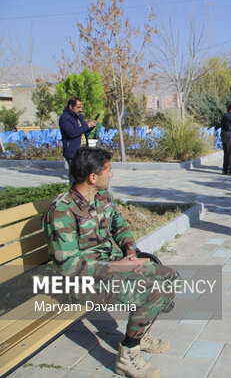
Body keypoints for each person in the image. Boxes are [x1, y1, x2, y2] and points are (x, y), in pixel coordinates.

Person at [43, 147, 177, 378]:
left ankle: (139, 333)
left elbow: (119, 225)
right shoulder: (61, 211)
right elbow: (68, 267)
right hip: (81, 282)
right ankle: (128, 355)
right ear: (92, 177)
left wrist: (130, 251)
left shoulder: (101, 196)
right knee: (152, 291)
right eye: (108, 170)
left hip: (110, 266)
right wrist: (119, 266)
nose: (111, 175)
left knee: (168, 278)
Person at [59, 96, 97, 182]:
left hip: (83, 150)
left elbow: (83, 130)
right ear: (70, 107)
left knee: (83, 175)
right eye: (78, 107)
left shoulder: (79, 116)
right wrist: (87, 125)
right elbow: (72, 133)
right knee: (74, 176)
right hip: (73, 152)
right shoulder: (65, 118)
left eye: (81, 107)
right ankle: (73, 194)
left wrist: (91, 126)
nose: (80, 110)